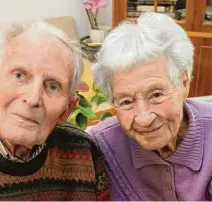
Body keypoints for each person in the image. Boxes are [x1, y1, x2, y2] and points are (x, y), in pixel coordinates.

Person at [0, 21, 111, 201]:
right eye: (19, 75)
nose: (33, 99)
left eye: (52, 86)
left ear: (68, 109)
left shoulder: (85, 152)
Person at [90, 12, 212, 201]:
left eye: (156, 95)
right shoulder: (102, 146)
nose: (144, 119)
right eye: (126, 102)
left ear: (184, 83)